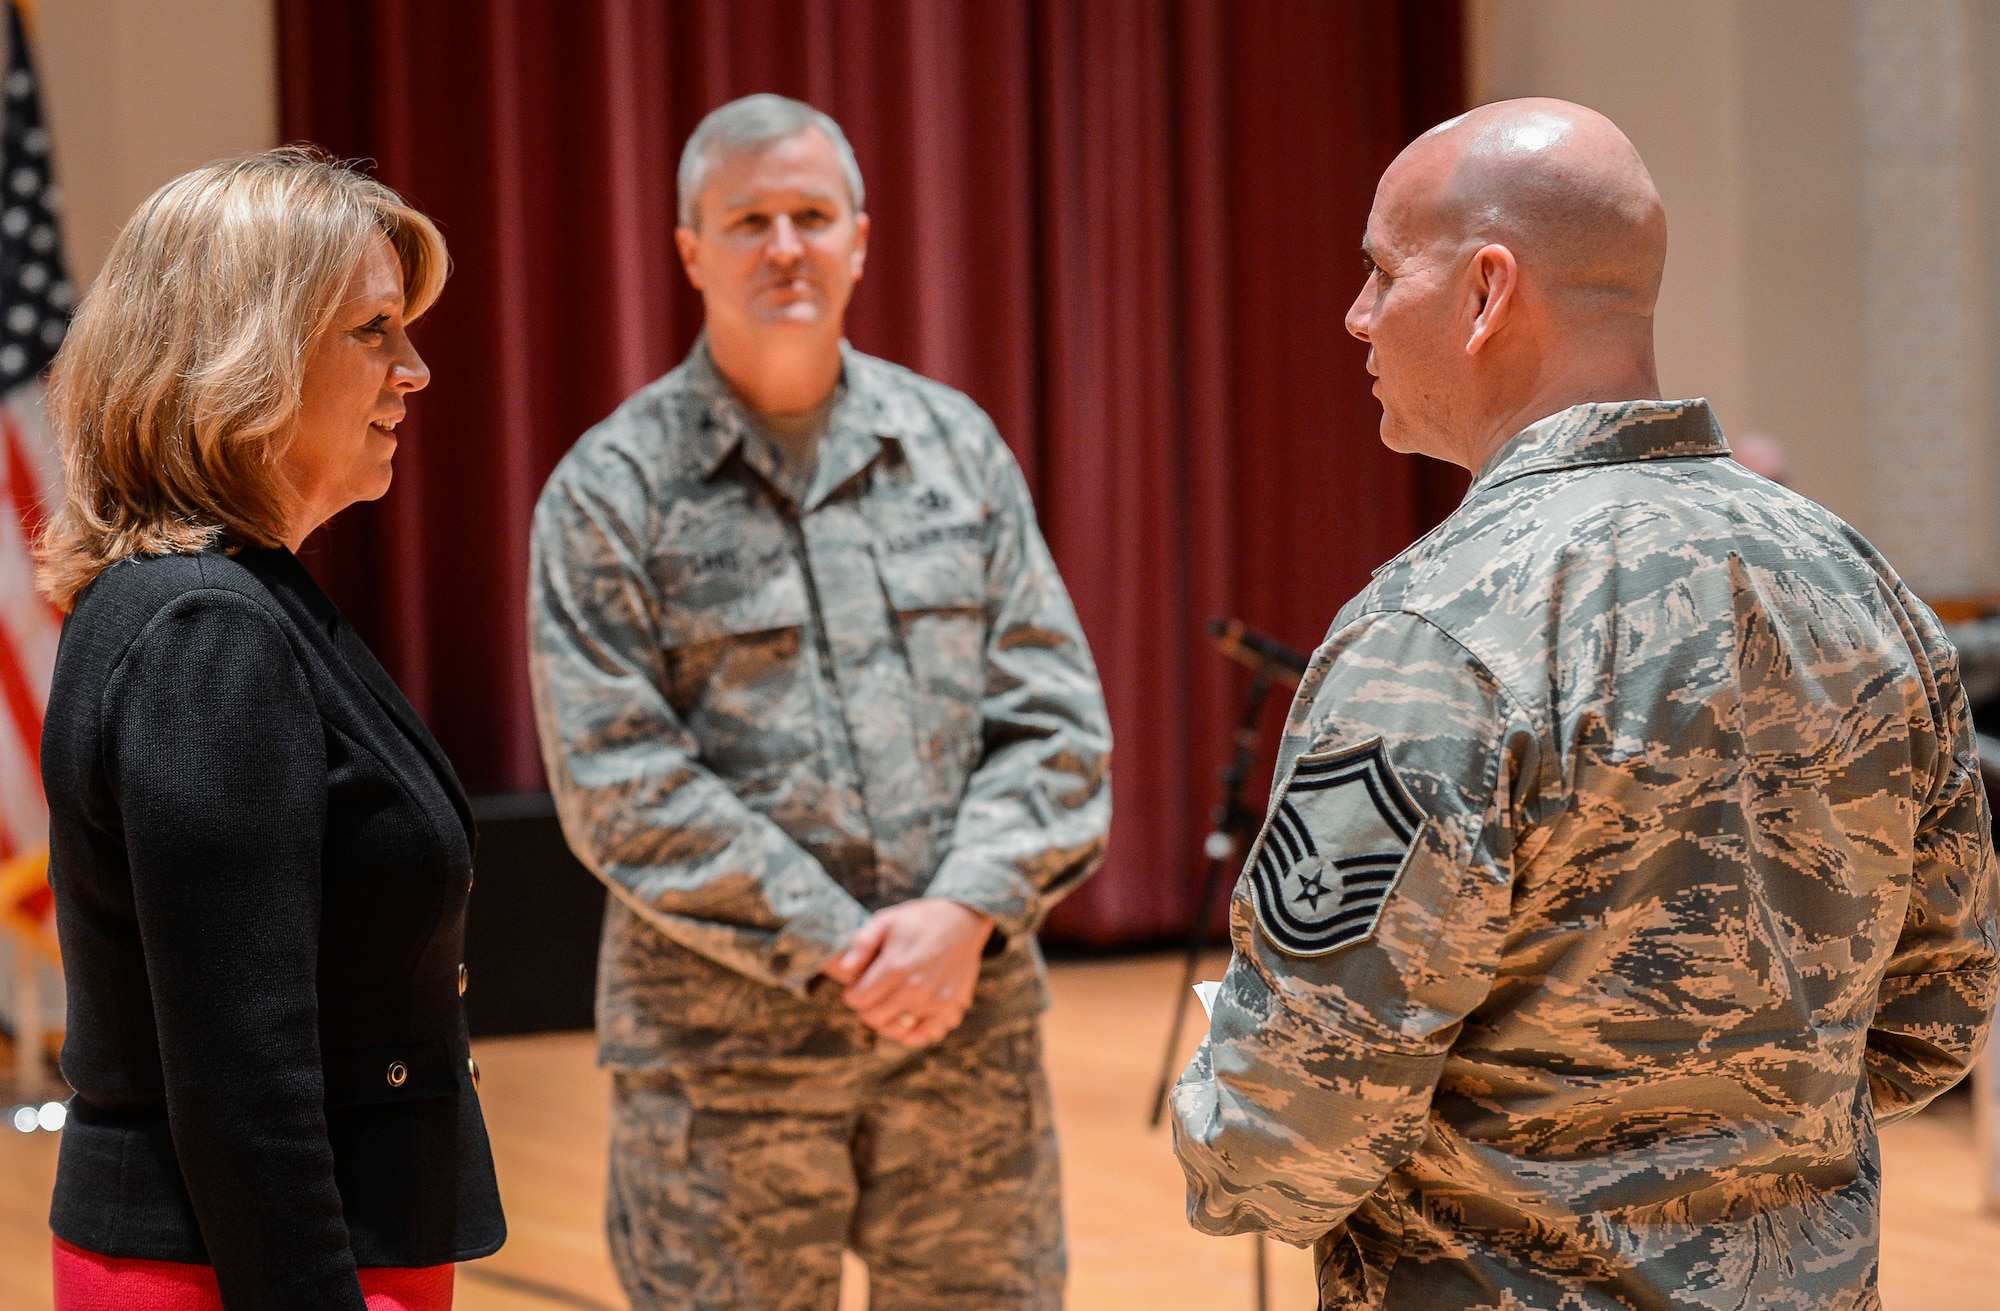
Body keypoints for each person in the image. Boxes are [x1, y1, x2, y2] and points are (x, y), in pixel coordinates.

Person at [1171, 98, 1998, 1309]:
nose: (1353, 316)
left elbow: (1288, 1138)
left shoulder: (1433, 634)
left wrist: (1215, 1114)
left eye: (1379, 273)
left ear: (1484, 292)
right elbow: (1934, 1020)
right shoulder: (1864, 591)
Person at [528, 94, 1110, 1310]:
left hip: (965, 1046)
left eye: (810, 214)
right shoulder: (610, 491)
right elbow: (618, 779)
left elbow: (1054, 726)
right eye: (748, 219)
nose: (782, 246)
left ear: (860, 236)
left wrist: (961, 912)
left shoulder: (954, 446)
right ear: (690, 250)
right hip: (723, 1073)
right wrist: (846, 950)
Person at [39, 149, 504, 1311]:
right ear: (246, 357)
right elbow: (241, 1072)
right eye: (374, 331)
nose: (416, 369)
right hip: (258, 1268)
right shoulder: (206, 628)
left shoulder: (238, 597)